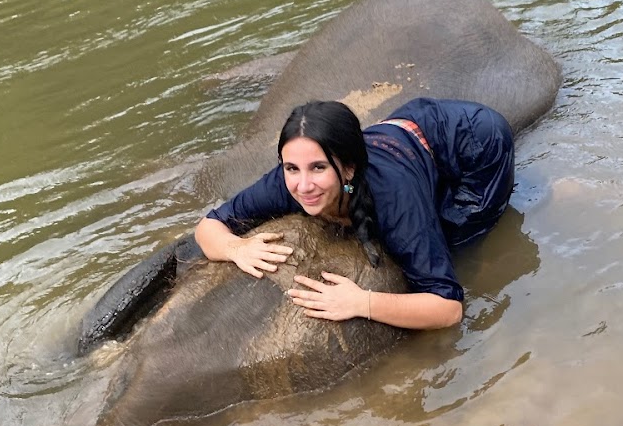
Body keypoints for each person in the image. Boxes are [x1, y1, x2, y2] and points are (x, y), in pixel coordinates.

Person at [194, 98, 515, 330]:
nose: (303, 185)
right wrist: (236, 248)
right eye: (291, 167)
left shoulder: (392, 197)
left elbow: (448, 310)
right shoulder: (285, 184)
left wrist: (363, 303)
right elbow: (209, 225)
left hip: (476, 142)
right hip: (406, 133)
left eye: (318, 168)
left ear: (348, 169)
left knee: (454, 239)